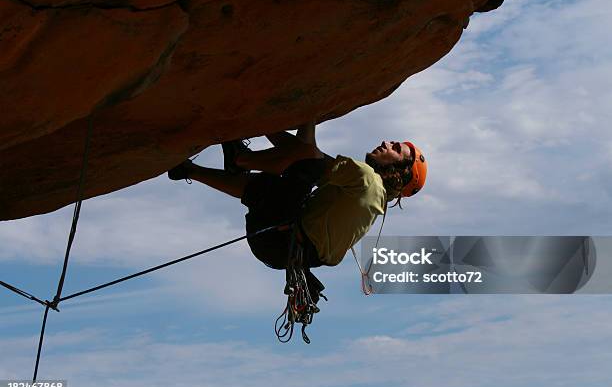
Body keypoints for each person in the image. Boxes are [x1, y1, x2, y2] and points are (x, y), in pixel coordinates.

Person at [167, 122, 427, 300]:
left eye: (396, 149)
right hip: (279, 249)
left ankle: (239, 159)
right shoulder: (373, 201)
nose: (387, 142)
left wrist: (304, 113)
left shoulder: (366, 178)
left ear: (399, 173)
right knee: (274, 186)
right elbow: (304, 156)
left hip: (281, 237)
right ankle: (189, 170)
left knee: (301, 171)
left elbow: (306, 156)